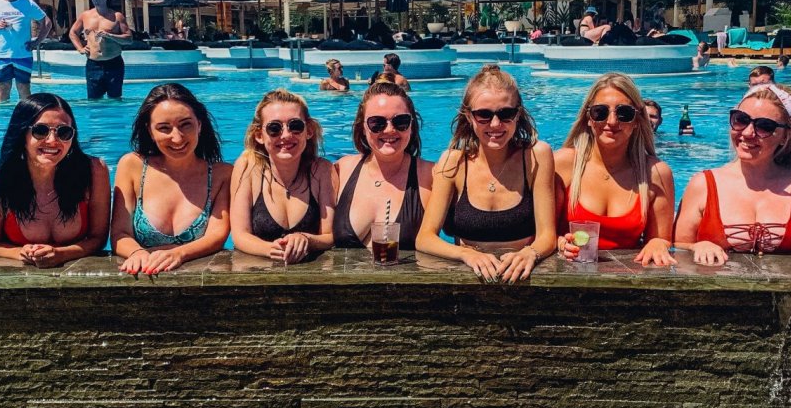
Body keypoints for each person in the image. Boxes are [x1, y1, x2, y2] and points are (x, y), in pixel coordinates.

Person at [416, 64, 557, 282]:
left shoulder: (537, 156)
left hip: (522, 280)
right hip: (467, 281)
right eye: (483, 115)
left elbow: (547, 235)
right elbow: (425, 238)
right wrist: (467, 254)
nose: (495, 124)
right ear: (468, 116)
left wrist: (530, 253)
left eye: (506, 114)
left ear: (518, 114)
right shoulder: (453, 163)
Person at [674, 83, 791, 266]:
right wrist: (697, 246)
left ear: (786, 136)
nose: (747, 133)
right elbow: (677, 244)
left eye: (764, 126)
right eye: (740, 119)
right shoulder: (703, 184)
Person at [0, 93, 110, 267]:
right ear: (22, 134)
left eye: (64, 132)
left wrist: (61, 255)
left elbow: (98, 238)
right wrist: (20, 253)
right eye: (40, 131)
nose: (53, 141)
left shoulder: (94, 172)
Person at [555, 74, 675, 266]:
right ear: (588, 118)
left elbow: (660, 238)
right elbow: (540, 234)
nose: (611, 121)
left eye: (624, 113)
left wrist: (658, 243)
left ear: (637, 120)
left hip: (629, 284)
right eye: (600, 112)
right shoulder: (564, 164)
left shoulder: (656, 173)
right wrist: (559, 243)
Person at [111, 83, 231, 274]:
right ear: (150, 131)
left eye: (186, 125)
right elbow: (119, 233)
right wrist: (137, 253)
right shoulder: (132, 166)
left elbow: (216, 236)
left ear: (199, 124)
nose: (177, 138)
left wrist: (179, 254)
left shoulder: (222, 174)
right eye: (164, 128)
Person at [229, 90, 336, 263]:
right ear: (259, 135)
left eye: (295, 126)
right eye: (274, 128)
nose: (286, 135)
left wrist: (306, 239)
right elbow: (240, 235)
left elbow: (330, 235)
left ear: (308, 131)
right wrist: (271, 249)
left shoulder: (322, 170)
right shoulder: (247, 167)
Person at [333, 79, 433, 251]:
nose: (389, 130)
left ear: (412, 126)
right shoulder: (341, 170)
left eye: (400, 121)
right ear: (363, 128)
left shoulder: (432, 177)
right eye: (377, 123)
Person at [69, 0, 132, 100]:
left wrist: (110, 35)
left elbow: (129, 39)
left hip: (114, 63)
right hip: (93, 64)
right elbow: (73, 33)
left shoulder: (117, 16)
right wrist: (80, 48)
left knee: (115, 100)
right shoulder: (85, 15)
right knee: (93, 100)